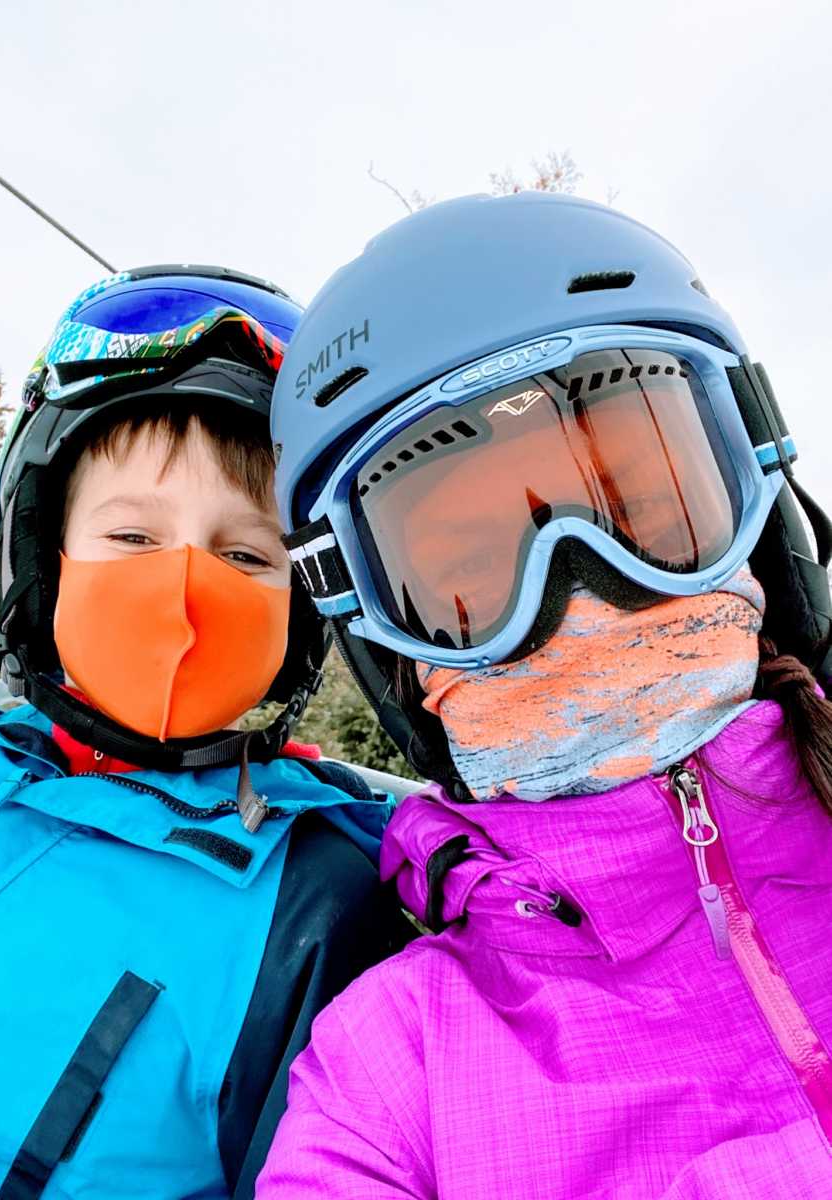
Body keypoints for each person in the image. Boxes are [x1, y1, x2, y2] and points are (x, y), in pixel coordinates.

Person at [257, 193, 832, 1198]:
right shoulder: (390, 1078)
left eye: (646, 515)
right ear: (392, 655)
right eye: (473, 577)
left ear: (756, 502)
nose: (580, 596)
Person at [0, 265, 407, 1200]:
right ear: (45, 559)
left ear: (301, 614)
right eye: (133, 539)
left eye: (242, 555)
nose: (184, 601)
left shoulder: (317, 909)